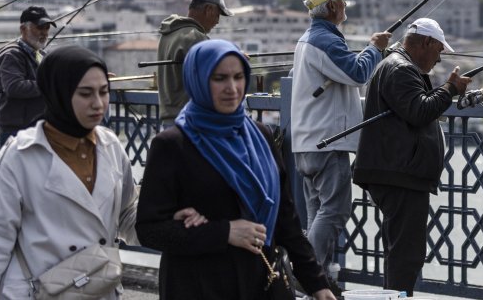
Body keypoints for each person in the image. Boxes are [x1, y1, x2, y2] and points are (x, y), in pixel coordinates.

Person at [136, 39, 335, 300]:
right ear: (198, 80)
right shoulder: (172, 145)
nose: (232, 88)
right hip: (198, 285)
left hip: (259, 281)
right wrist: (224, 232)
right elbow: (149, 230)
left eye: (239, 77)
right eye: (219, 78)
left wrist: (317, 284)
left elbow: (286, 220)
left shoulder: (261, 137)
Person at [0, 45, 138, 299]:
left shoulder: (111, 147)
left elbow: (127, 216)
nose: (98, 104)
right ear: (58, 94)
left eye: (104, 92)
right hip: (37, 290)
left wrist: (171, 216)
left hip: (99, 287)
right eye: (86, 94)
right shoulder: (19, 155)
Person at [353, 18, 472, 296]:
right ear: (426, 43)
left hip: (398, 171)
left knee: (401, 251)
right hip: (400, 174)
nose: (439, 57)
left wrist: (444, 91)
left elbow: (414, 108)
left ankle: (393, 294)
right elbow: (419, 111)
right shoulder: (401, 69)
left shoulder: (398, 66)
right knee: (406, 254)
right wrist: (450, 89)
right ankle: (396, 296)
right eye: (439, 49)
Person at [291, 0, 391, 285]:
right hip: (326, 143)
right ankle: (306, 277)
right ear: (332, 6)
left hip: (305, 142)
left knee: (316, 213)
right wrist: (375, 49)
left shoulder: (308, 39)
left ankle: (310, 276)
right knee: (334, 211)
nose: (345, 5)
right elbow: (357, 73)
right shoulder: (325, 41)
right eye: (342, 1)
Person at [157, 0, 233, 127]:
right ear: (208, 9)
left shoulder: (169, 33)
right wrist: (236, 60)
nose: (217, 21)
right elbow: (216, 74)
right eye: (218, 14)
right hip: (189, 121)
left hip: (168, 119)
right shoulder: (195, 37)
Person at [0, 5, 56, 145]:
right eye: (39, 28)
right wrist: (49, 85)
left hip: (37, 128)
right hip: (17, 131)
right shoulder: (12, 55)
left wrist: (88, 78)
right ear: (23, 29)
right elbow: (14, 87)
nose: (44, 33)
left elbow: (58, 75)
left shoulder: (41, 54)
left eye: (47, 28)